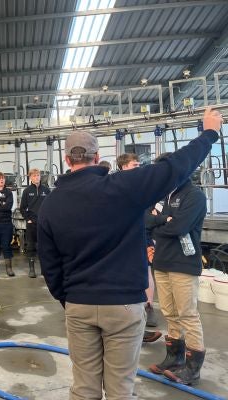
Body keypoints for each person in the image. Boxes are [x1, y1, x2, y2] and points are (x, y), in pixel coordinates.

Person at [37, 107, 222, 400]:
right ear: (97, 158)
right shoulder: (125, 187)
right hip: (123, 305)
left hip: (78, 304)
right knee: (121, 388)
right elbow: (174, 166)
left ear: (66, 159)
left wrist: (69, 298)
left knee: (83, 389)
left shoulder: (50, 205)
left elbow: (49, 265)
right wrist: (209, 133)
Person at [147, 155, 208, 385]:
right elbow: (144, 219)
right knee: (170, 313)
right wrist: (163, 220)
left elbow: (179, 227)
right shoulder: (164, 196)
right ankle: (174, 358)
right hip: (162, 261)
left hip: (183, 264)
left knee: (188, 314)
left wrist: (157, 223)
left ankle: (192, 368)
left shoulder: (195, 196)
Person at [117, 153, 161, 343]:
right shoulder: (116, 185)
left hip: (145, 236)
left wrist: (155, 217)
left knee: (147, 271)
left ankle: (148, 307)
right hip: (124, 236)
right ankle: (126, 314)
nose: (138, 167)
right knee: (125, 273)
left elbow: (153, 210)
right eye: (134, 165)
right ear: (123, 167)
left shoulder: (144, 185)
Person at [19, 168, 50, 278]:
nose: (36, 177)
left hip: (43, 224)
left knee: (44, 246)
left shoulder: (46, 190)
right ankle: (31, 269)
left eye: (38, 175)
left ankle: (44, 269)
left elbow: (50, 207)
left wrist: (47, 219)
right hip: (32, 223)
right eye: (34, 176)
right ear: (30, 178)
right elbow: (22, 208)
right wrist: (28, 219)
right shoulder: (27, 191)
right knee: (31, 245)